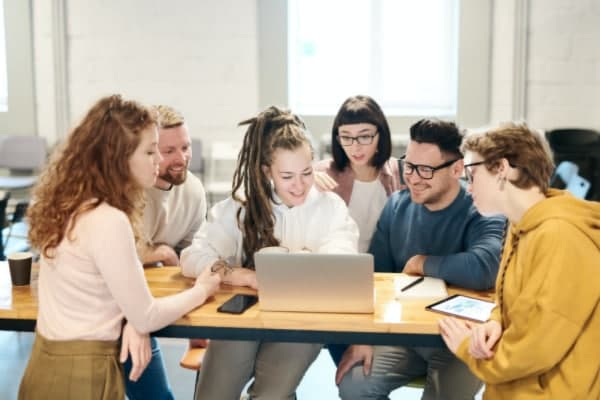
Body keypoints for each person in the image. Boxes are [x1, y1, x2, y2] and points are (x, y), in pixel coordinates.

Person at [18, 94, 220, 400]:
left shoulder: (74, 205)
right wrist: (202, 290)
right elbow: (146, 316)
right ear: (119, 158)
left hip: (46, 363)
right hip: (84, 374)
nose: (158, 161)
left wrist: (136, 322)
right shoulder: (109, 220)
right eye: (151, 151)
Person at [180, 105, 359, 400]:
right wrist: (239, 274)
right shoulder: (240, 207)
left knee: (271, 396)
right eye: (287, 176)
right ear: (267, 171)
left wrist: (300, 264)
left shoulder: (330, 207)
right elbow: (192, 257)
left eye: (306, 173)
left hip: (301, 323)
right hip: (243, 320)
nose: (299, 186)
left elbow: (342, 261)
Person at [337, 118, 505, 400]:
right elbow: (375, 278)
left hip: (460, 340)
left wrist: (421, 263)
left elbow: (485, 267)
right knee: (354, 387)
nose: (413, 177)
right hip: (404, 336)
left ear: (457, 169)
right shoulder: (396, 207)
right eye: (409, 166)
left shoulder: (483, 209)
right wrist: (363, 337)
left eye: (425, 169)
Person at [439, 122, 600, 399]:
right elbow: (515, 303)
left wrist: (468, 349)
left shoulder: (560, 235)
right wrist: (495, 322)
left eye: (472, 174)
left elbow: (539, 346)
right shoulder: (522, 226)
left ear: (502, 169)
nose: (468, 188)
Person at [123, 105, 207, 400]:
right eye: (169, 150)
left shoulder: (194, 190)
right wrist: (161, 253)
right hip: (118, 309)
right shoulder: (129, 191)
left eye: (185, 147)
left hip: (157, 299)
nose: (181, 158)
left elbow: (194, 256)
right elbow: (119, 258)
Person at [314, 95, 404, 253]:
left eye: (364, 136)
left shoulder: (400, 172)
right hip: (338, 269)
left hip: (386, 271)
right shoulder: (321, 172)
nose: (355, 147)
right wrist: (306, 181)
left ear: (380, 136)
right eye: (346, 137)